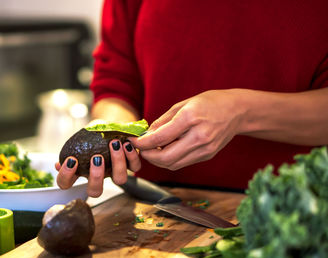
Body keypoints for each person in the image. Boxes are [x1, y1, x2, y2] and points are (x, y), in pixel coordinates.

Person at [56, 0, 328, 197]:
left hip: (291, 209)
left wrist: (242, 112)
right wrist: (113, 133)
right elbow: (117, 80)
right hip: (158, 203)